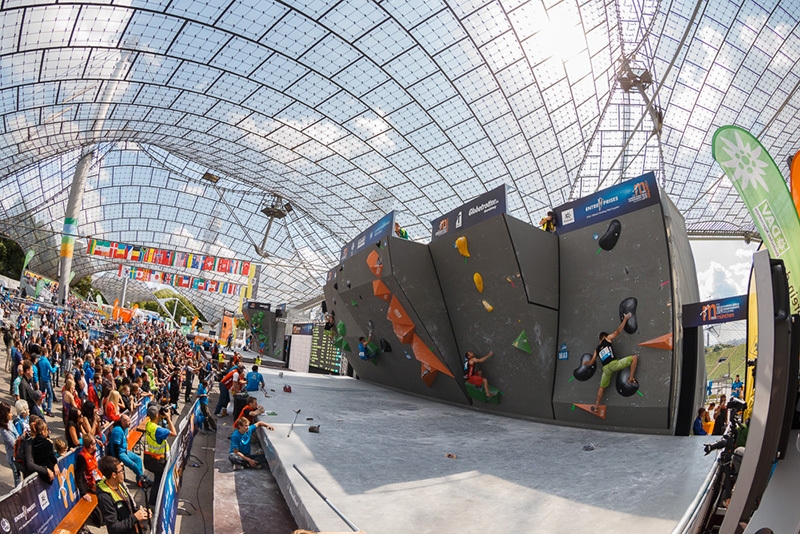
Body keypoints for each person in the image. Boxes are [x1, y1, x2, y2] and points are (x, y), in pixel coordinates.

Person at [585, 313, 638, 411]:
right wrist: (625, 319)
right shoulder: (607, 339)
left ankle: (596, 407)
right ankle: (630, 379)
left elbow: (592, 361)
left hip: (606, 369)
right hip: (613, 364)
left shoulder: (596, 349)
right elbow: (617, 331)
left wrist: (586, 364)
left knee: (602, 387)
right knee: (634, 358)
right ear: (604, 337)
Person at [96, 455, 151, 534]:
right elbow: (113, 528)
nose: (123, 472)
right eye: (121, 471)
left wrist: (142, 512)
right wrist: (135, 518)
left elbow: (129, 507)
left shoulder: (119, 484)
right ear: (114, 475)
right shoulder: (105, 497)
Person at [143, 404, 175, 506]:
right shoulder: (158, 430)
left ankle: (154, 500)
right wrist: (169, 418)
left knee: (158, 480)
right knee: (158, 481)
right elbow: (174, 433)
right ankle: (153, 502)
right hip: (159, 460)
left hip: (151, 458)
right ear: (157, 415)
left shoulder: (148, 424)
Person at [108, 414, 150, 488]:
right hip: (120, 453)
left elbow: (126, 439)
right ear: (123, 421)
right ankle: (143, 479)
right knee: (135, 466)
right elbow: (115, 447)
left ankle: (139, 481)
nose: (130, 423)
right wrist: (117, 460)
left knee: (138, 459)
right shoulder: (117, 431)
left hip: (125, 450)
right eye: (128, 421)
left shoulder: (125, 428)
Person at [74, 434, 104, 529]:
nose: (96, 444)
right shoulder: (82, 457)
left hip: (99, 478)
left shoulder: (93, 451)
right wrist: (83, 493)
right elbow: (78, 476)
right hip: (91, 484)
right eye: (94, 443)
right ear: (90, 445)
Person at [0, 401, 21, 486]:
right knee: (17, 476)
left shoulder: (10, 423)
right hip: (13, 457)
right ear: (5, 414)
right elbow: (13, 443)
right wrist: (21, 439)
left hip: (18, 454)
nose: (12, 414)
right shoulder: (3, 431)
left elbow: (17, 435)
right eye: (10, 413)